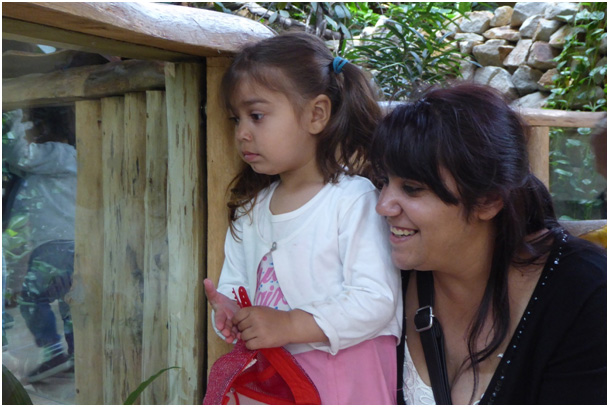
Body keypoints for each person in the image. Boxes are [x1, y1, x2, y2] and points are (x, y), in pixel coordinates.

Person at [371, 82, 607, 405]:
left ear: (488, 200)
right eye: (383, 182)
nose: (383, 206)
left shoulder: (584, 292)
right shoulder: (378, 272)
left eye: (412, 188)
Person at [203, 32, 401, 404]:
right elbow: (236, 286)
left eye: (256, 116)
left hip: (348, 383)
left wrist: (290, 324)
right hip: (277, 382)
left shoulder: (353, 200)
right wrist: (231, 314)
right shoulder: (250, 211)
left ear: (316, 114)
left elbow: (376, 300)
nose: (242, 133)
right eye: (236, 119)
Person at [3, 106, 77, 383]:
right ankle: (76, 354)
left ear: (44, 128)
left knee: (32, 297)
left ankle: (53, 351)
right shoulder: (68, 157)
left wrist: (14, 117)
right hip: (71, 242)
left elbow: (20, 156)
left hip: (54, 244)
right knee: (70, 302)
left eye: (31, 126)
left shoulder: (57, 153)